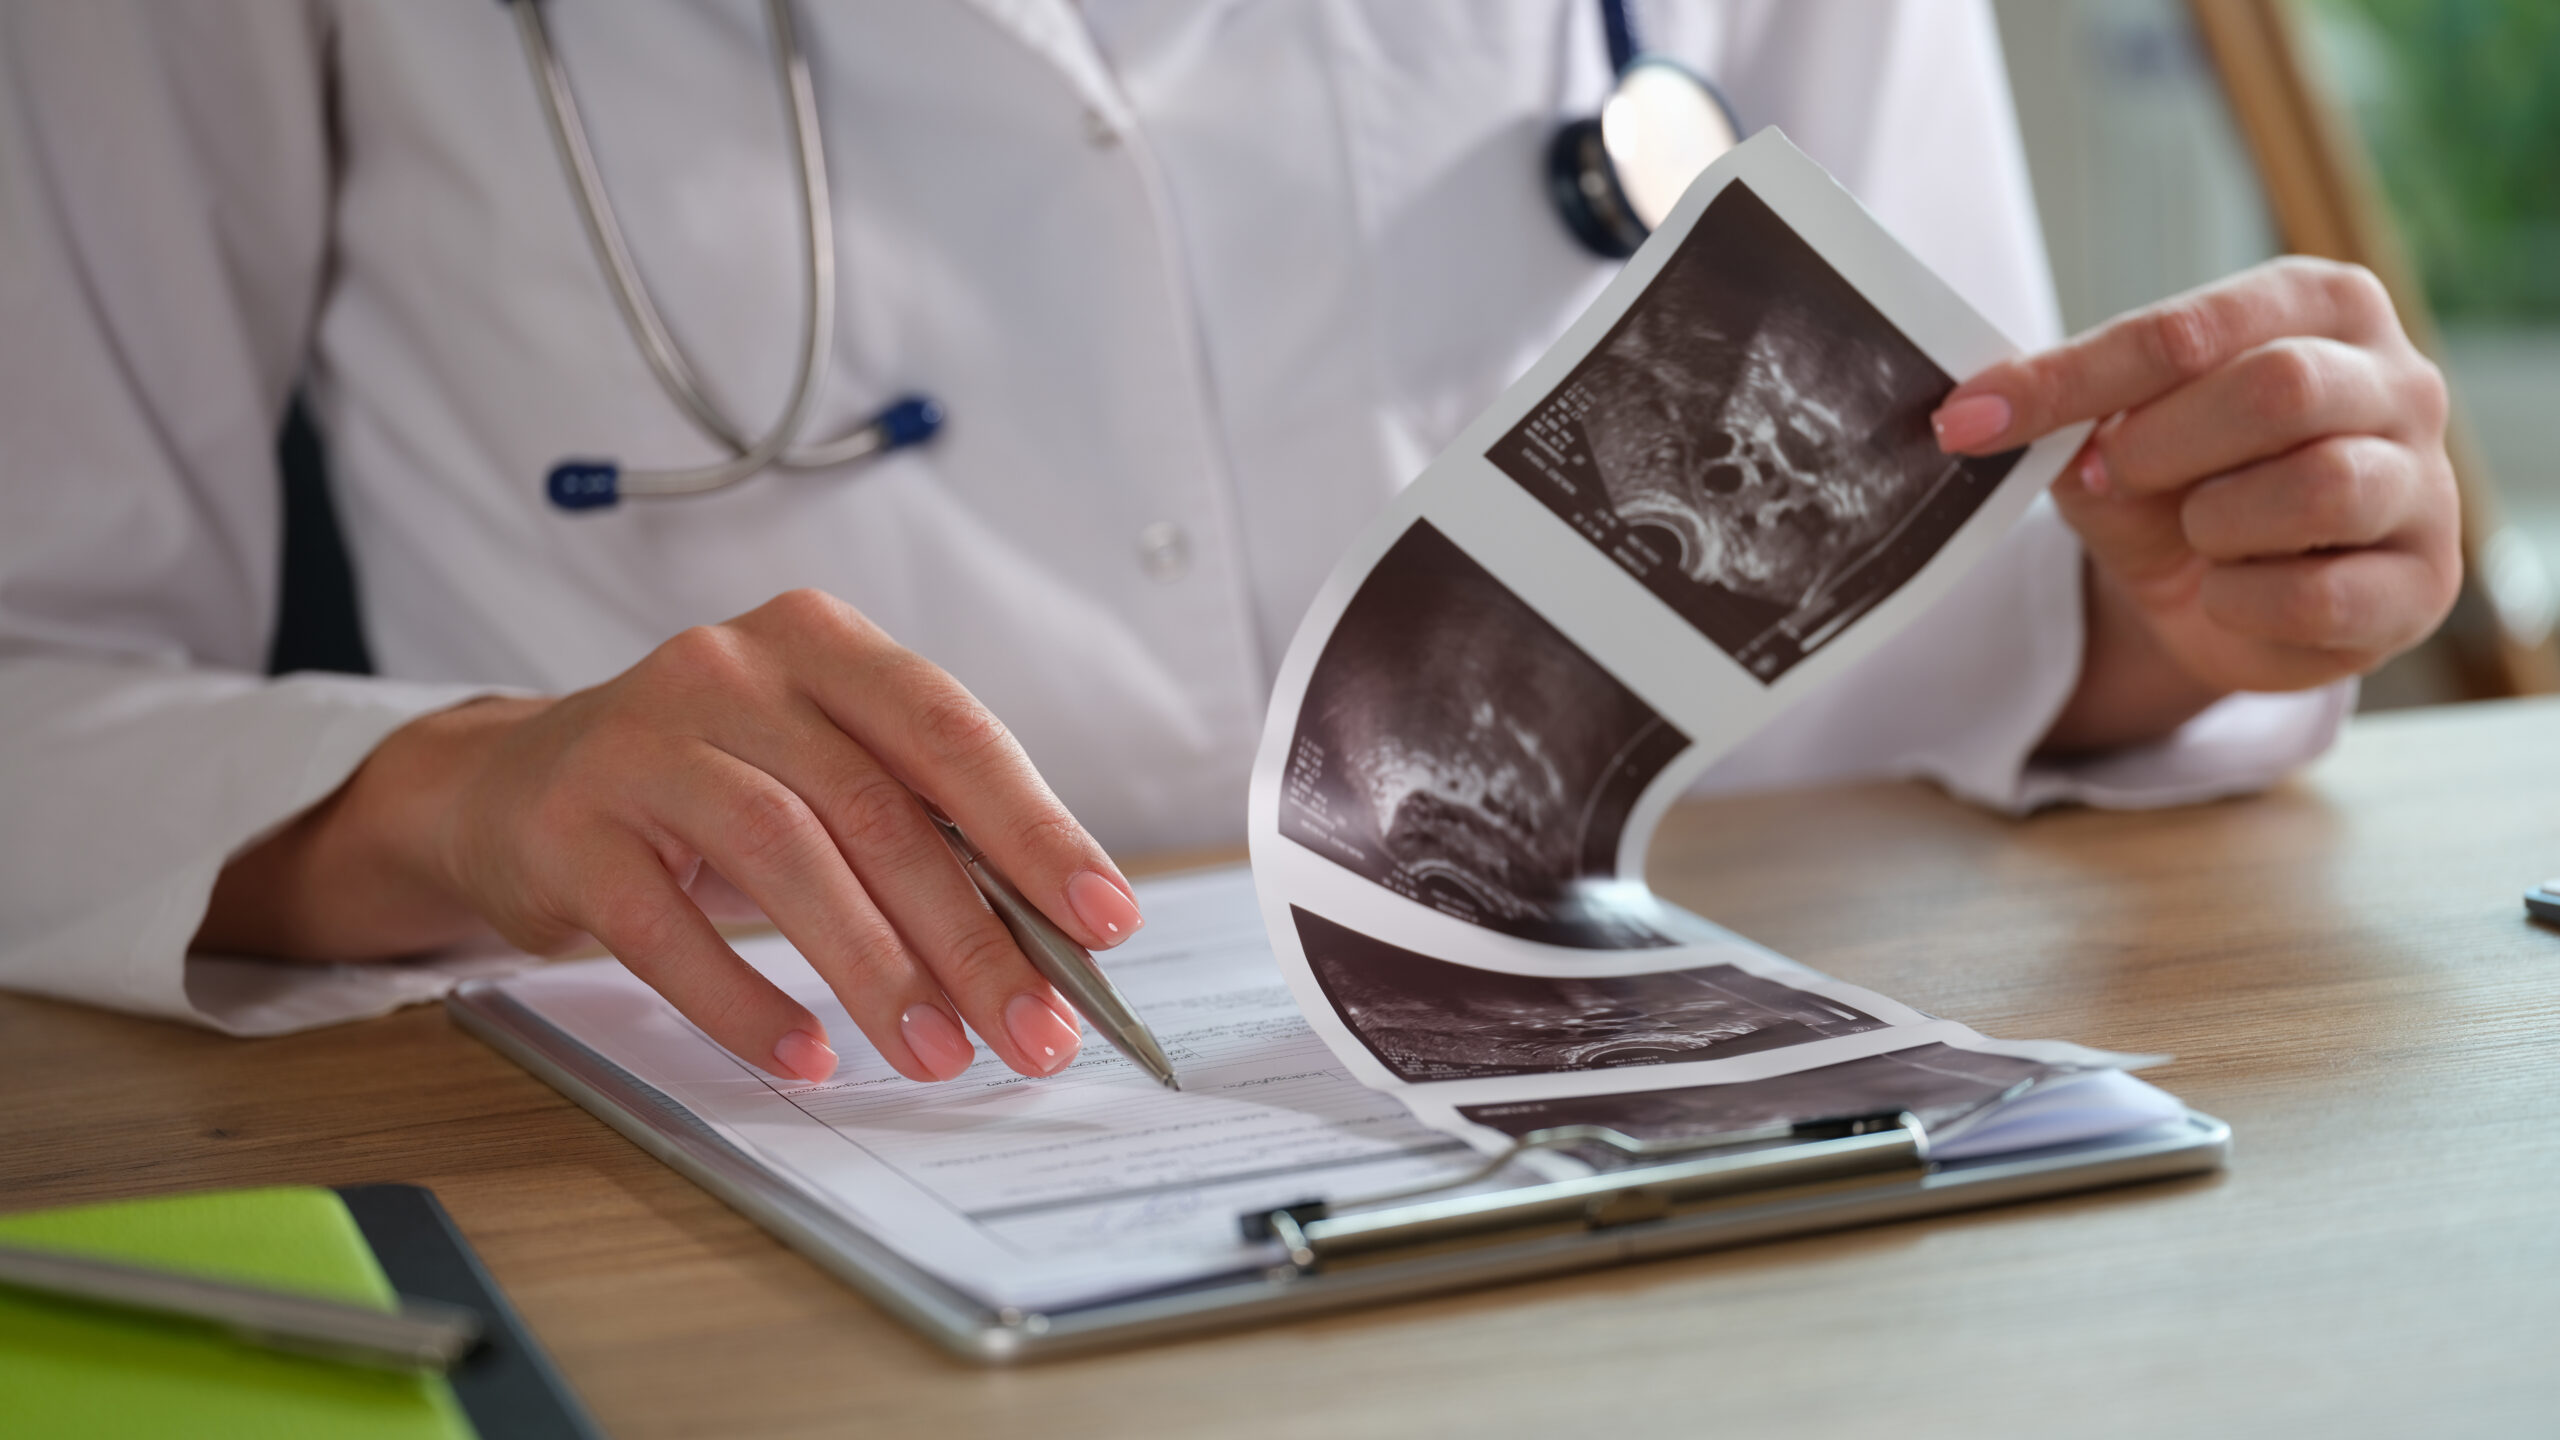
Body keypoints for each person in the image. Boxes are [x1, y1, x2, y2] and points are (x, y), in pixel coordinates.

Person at [0, 2, 2457, 1086]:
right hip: (789, 1177)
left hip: (1650, 1196)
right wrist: (460, 794)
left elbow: (1965, 577)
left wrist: (2193, 585)